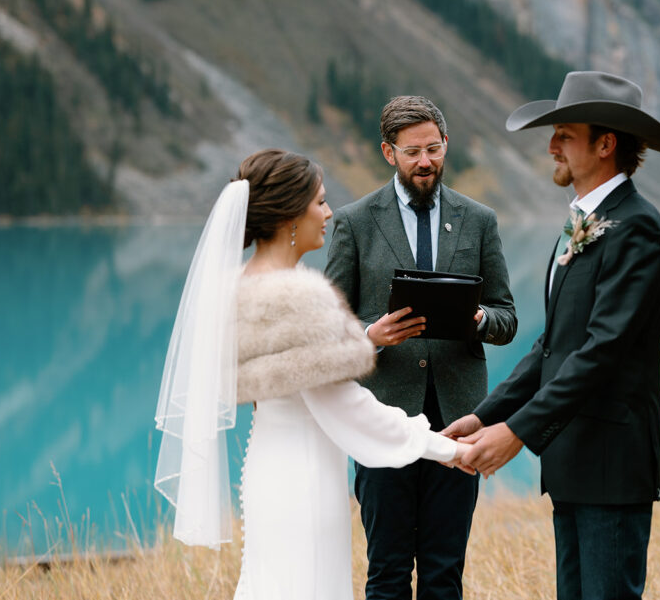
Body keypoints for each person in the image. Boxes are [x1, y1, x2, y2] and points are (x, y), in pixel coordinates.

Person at [153, 149, 470, 600]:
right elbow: (343, 405)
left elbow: (291, 382)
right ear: (288, 216)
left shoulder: (234, 286)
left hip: (266, 466)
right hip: (303, 482)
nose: (328, 213)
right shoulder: (299, 297)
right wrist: (444, 448)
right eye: (319, 202)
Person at [445, 71, 660, 599]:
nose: (551, 146)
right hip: (574, 461)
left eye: (566, 134)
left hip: (611, 463)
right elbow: (552, 345)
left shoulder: (637, 228)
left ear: (605, 144)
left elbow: (601, 352)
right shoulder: (585, 221)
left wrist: (518, 432)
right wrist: (487, 415)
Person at [326, 96, 516, 600]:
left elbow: (507, 318)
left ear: (446, 144)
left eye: (433, 149)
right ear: (389, 153)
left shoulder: (479, 220)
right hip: (380, 420)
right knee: (386, 573)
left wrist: (478, 319)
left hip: (458, 423)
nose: (425, 161)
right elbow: (329, 329)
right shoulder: (354, 222)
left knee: (443, 572)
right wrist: (372, 336)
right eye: (412, 152)